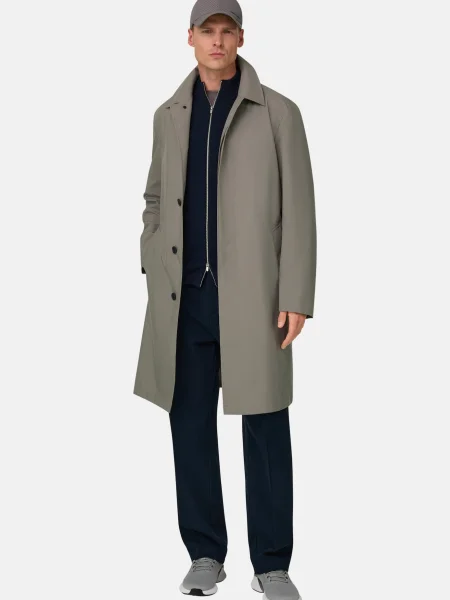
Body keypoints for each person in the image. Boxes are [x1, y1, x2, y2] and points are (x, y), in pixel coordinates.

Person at [133, 0, 317, 598]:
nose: (217, 41)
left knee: (266, 427)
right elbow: (155, 197)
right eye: (207, 31)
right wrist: (152, 255)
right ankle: (206, 554)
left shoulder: (279, 113)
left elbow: (301, 211)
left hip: (256, 298)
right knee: (189, 428)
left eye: (226, 31)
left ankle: (272, 564)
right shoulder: (168, 115)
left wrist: (296, 293)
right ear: (189, 37)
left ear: (241, 37)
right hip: (184, 298)